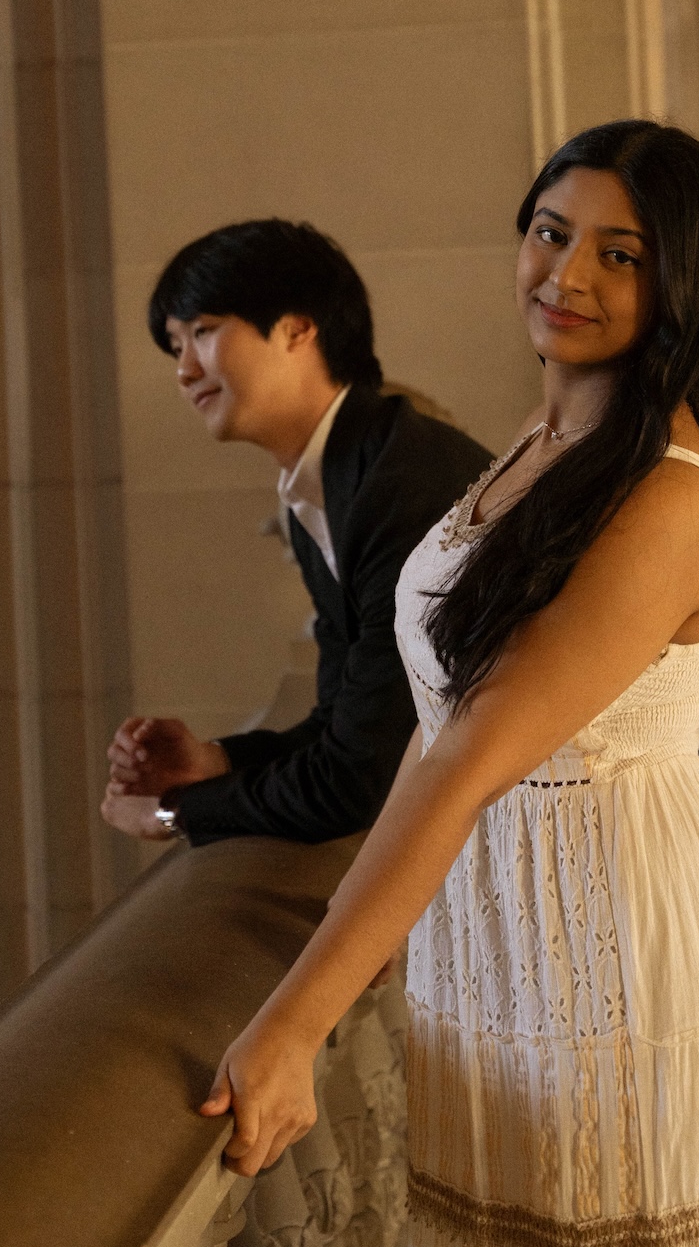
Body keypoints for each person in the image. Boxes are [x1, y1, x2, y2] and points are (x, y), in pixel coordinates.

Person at [198, 121, 699, 1247]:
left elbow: (466, 755)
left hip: (639, 954)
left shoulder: (661, 499)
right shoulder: (544, 440)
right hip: (510, 940)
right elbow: (437, 707)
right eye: (551, 235)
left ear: (681, 282)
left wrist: (293, 1022)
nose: (567, 276)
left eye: (620, 255)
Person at [100, 218, 492, 847]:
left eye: (202, 333)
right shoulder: (325, 483)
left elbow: (360, 776)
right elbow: (346, 722)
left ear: (297, 328)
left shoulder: (401, 479)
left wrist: (179, 813)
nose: (184, 370)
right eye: (176, 346)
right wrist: (216, 761)